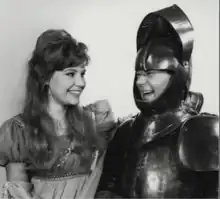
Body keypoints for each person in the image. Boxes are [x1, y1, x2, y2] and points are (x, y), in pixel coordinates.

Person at [95, 4, 219, 198]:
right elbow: (108, 186)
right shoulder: (126, 132)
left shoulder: (202, 129)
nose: (141, 81)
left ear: (177, 74)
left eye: (151, 73)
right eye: (139, 73)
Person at [0, 29, 116, 199]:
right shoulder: (18, 131)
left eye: (82, 74)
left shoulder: (94, 121)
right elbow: (18, 194)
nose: (81, 83)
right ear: (45, 78)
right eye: (70, 74)